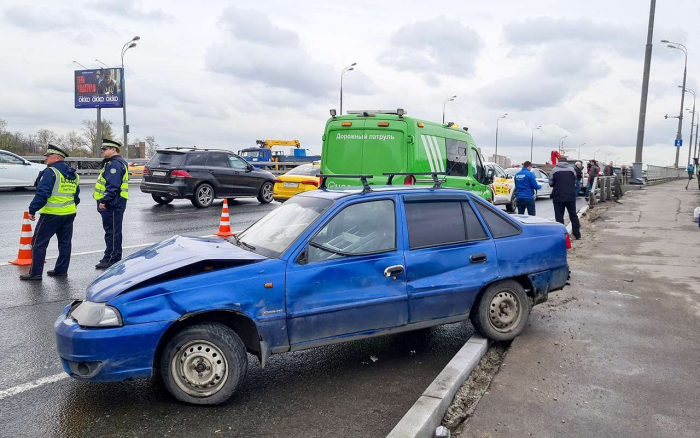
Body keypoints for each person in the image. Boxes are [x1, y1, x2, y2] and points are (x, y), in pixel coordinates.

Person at [20, 145, 80, 281]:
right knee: (65, 243)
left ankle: (35, 273)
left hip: (51, 214)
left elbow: (42, 194)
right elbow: (76, 196)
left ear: (57, 158)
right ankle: (61, 270)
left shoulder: (50, 172)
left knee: (38, 243)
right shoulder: (73, 174)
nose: (46, 158)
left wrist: (32, 209)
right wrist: (69, 208)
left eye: (48, 156)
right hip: (69, 213)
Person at [94, 139, 129, 269]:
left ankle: (112, 259)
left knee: (112, 232)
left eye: (105, 149)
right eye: (102, 149)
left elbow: (113, 186)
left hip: (112, 204)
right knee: (113, 231)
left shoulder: (114, 165)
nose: (102, 151)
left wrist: (104, 200)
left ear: (114, 150)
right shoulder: (115, 163)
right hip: (115, 203)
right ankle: (111, 256)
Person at [549, 156, 581, 239]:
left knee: (559, 217)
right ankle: (577, 234)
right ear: (566, 162)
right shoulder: (571, 169)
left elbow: (551, 183)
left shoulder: (554, 170)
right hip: (570, 195)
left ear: (558, 162)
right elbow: (574, 180)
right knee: (573, 215)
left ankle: (561, 235)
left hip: (558, 196)